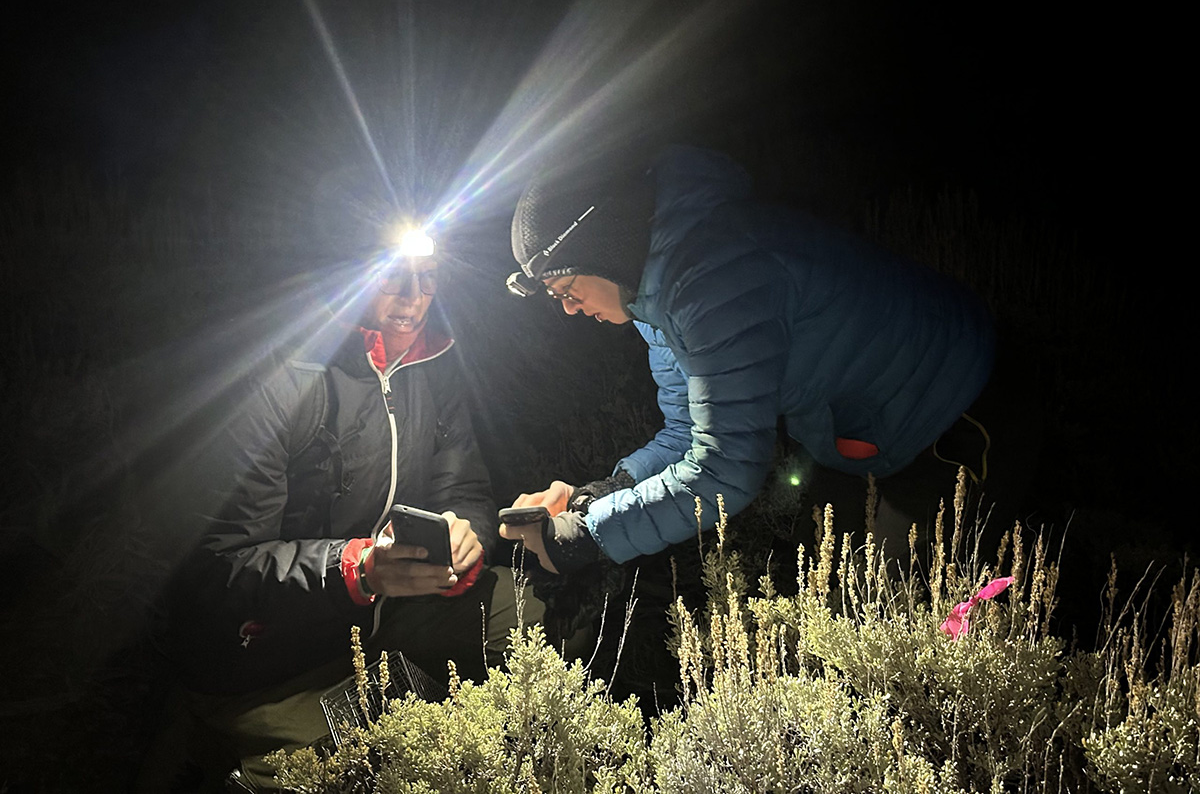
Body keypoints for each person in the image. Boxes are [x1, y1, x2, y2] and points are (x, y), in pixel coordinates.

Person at [144, 226, 533, 792]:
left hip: (391, 614)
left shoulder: (434, 360)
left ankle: (405, 704)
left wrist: (467, 539)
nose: (413, 295)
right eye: (392, 276)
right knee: (348, 772)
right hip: (274, 658)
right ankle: (227, 749)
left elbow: (464, 486)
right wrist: (354, 570)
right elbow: (217, 568)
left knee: (532, 614)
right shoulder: (277, 375)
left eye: (428, 278)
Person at [501, 144, 996, 577]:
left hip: (955, 407)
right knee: (832, 585)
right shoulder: (651, 299)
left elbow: (726, 467)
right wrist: (599, 496)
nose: (568, 308)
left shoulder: (714, 278)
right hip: (860, 428)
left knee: (916, 606)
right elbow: (685, 432)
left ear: (607, 250)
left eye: (566, 289)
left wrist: (586, 538)